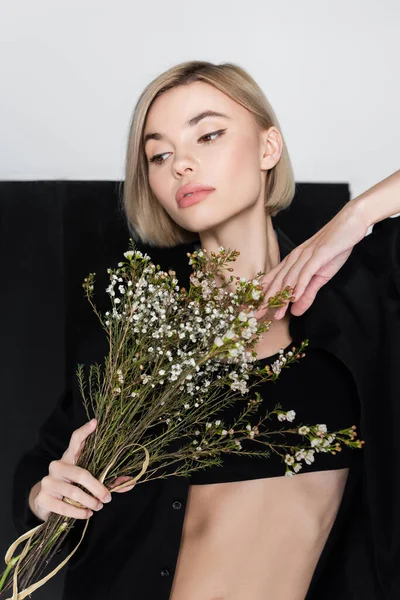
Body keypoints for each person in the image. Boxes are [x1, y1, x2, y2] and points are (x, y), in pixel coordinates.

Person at [12, 61, 400, 600]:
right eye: (160, 154)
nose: (182, 165)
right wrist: (43, 492)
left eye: (209, 134)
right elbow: (40, 468)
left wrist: (357, 216)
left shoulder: (366, 293)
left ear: (270, 148)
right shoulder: (135, 334)